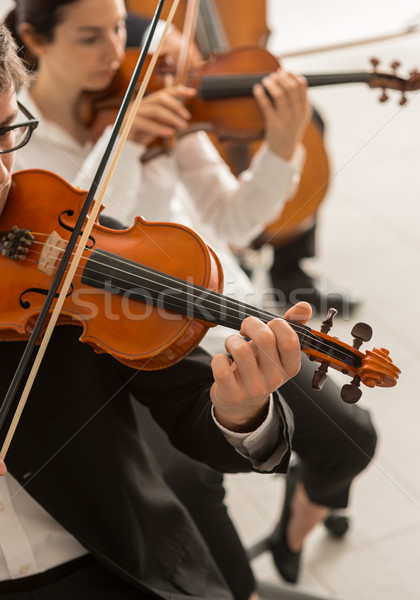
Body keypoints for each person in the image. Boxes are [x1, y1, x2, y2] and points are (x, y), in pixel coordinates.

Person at [5, 0, 377, 591]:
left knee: (349, 437)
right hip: (134, 337)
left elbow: (233, 225)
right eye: (89, 38)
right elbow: (90, 240)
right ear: (35, 40)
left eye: (117, 30)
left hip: (207, 310)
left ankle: (290, 535)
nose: (117, 52)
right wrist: (119, 149)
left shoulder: (148, 97)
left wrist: (282, 146)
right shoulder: (36, 169)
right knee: (196, 494)